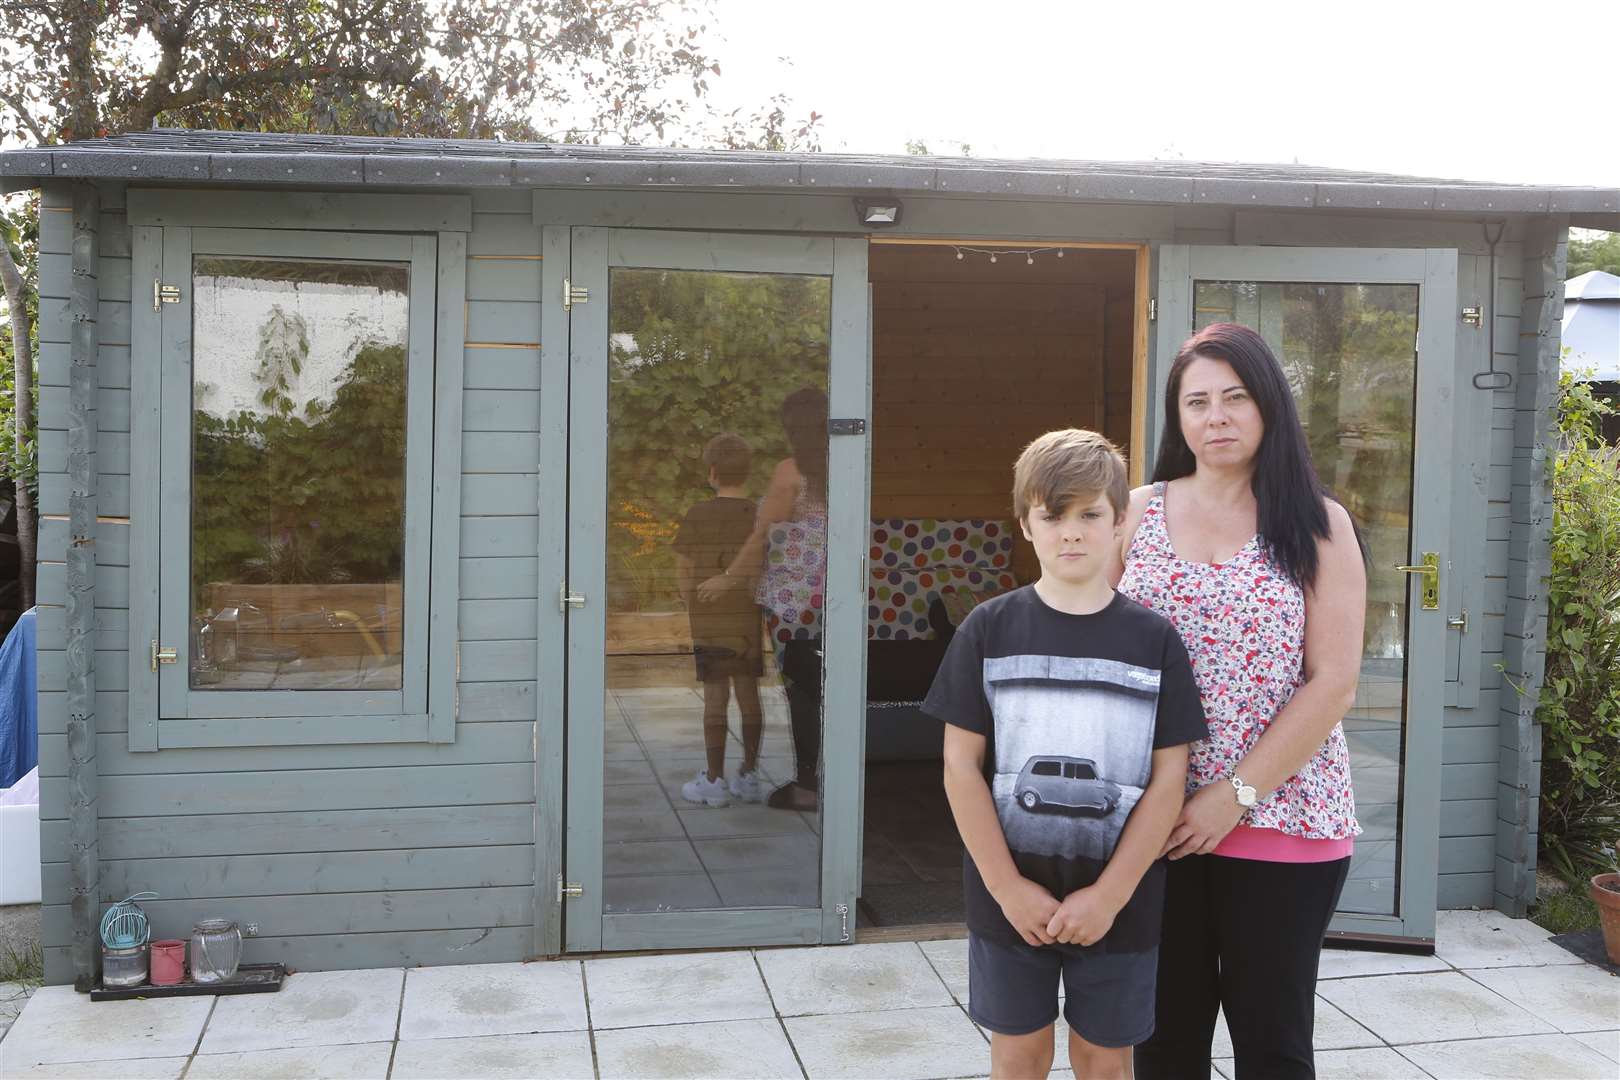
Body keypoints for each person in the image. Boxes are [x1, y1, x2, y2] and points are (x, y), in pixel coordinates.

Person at [1112, 323, 1367, 1080]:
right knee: (1161, 1041)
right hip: (1155, 821)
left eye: (1235, 397)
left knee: (1274, 1046)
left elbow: (1334, 680)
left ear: (1269, 410)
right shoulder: (1134, 512)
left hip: (1285, 817)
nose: (1215, 417)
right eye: (1196, 402)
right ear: (1177, 416)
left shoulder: (1318, 522)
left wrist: (1235, 795)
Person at [925, 429, 1208, 1080]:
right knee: (1020, 1056)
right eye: (1054, 516)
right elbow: (959, 766)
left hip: (1122, 901)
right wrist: (1006, 887)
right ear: (1027, 525)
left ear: (1118, 523)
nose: (1072, 532)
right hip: (1009, 901)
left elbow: (1170, 781)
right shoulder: (988, 630)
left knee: (1104, 1061)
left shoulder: (1153, 640)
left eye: (1090, 514)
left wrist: (1109, 895)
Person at [698, 387, 829, 812]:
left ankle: (809, 783)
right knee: (831, 690)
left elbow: (761, 536)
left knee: (804, 692)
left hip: (794, 604)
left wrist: (728, 578)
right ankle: (832, 777)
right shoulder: (846, 465)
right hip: (838, 596)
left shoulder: (791, 472)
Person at [672, 433, 766, 807]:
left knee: (715, 694)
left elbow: (683, 566)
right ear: (747, 474)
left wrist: (688, 600)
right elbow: (760, 565)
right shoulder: (757, 515)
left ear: (712, 473)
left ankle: (714, 782)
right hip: (745, 613)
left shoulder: (697, 513)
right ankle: (749, 774)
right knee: (747, 693)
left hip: (709, 616)